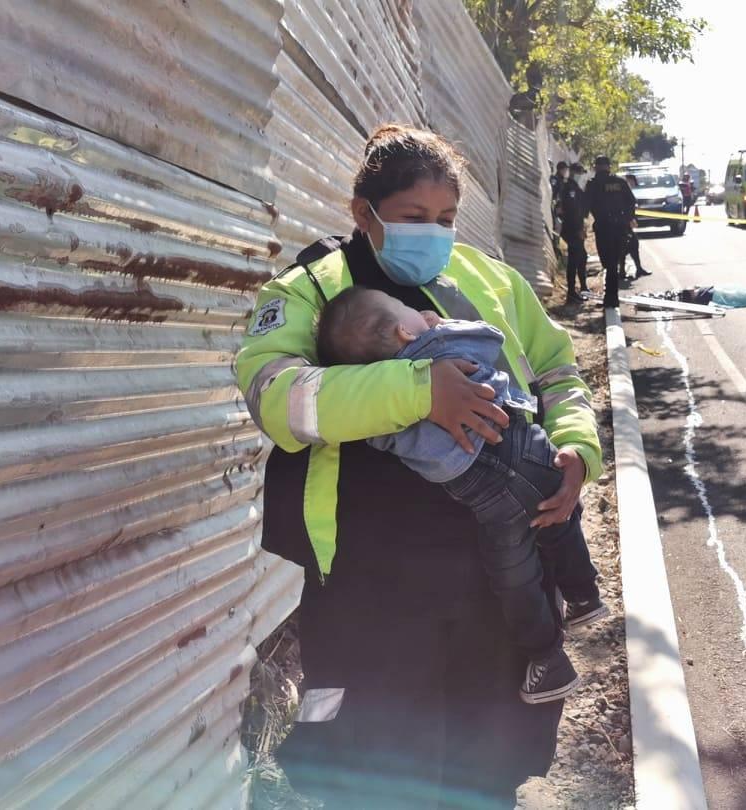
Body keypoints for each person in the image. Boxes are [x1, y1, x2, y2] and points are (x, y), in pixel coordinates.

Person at [235, 124, 605, 809]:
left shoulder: (491, 280)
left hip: (495, 578)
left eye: (445, 218)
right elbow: (276, 398)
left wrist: (578, 450)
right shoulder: (313, 289)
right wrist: (418, 392)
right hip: (370, 589)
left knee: (487, 770)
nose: (432, 233)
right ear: (363, 212)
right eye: (413, 217)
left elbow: (557, 372)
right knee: (375, 777)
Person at [313, 287, 609, 703]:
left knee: (515, 579)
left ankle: (548, 659)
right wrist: (441, 326)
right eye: (408, 310)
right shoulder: (441, 343)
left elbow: (373, 435)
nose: (420, 311)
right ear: (404, 330)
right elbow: (491, 338)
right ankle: (584, 595)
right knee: (561, 520)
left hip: (487, 500)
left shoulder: (384, 407)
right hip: (527, 450)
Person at [585, 155, 634, 308]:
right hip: (619, 227)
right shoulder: (620, 182)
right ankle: (612, 297)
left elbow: (586, 205)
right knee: (613, 262)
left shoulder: (593, 184)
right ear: (609, 166)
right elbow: (631, 202)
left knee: (608, 263)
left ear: (596, 167)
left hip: (603, 227)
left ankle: (610, 297)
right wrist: (627, 219)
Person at [558, 162, 589, 301]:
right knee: (575, 259)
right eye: (580, 173)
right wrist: (578, 230)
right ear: (574, 173)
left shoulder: (575, 187)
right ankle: (571, 292)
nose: (581, 176)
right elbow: (572, 212)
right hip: (572, 229)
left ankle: (583, 287)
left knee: (581, 257)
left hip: (575, 228)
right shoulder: (570, 188)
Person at [621, 174, 650, 281]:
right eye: (632, 182)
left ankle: (636, 269)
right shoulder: (622, 190)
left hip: (625, 223)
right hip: (622, 223)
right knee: (626, 245)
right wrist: (630, 219)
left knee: (631, 245)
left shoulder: (625, 190)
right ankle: (624, 271)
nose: (633, 185)